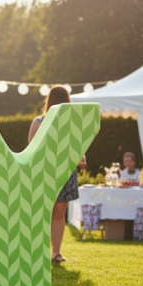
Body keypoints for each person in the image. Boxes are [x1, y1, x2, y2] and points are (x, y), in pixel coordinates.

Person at [28, 85, 85, 264]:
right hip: (61, 171)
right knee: (58, 214)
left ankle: (49, 253)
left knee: (44, 213)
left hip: (47, 171)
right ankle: (55, 253)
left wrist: (80, 157)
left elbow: (31, 149)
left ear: (48, 100)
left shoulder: (40, 122)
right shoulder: (68, 122)